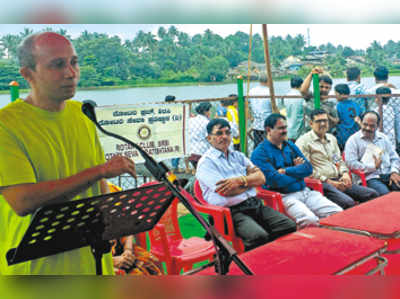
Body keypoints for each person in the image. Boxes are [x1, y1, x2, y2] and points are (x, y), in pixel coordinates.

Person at [0, 32, 137, 274]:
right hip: (37, 266)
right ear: (27, 74)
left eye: (74, 62)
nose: (70, 73)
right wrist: (100, 171)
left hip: (93, 258)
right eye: (57, 65)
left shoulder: (81, 113)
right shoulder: (6, 124)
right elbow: (22, 201)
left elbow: (100, 186)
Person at [196, 118, 296, 251]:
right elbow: (226, 191)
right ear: (209, 138)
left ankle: (270, 254)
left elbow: (261, 178)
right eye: (219, 133)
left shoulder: (238, 156)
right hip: (229, 213)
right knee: (258, 236)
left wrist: (239, 181)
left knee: (288, 226)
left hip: (253, 204)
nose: (224, 137)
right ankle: (250, 264)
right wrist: (249, 179)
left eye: (227, 132)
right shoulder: (206, 163)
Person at [251, 114, 342, 228]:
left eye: (285, 127)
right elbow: (275, 180)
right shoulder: (260, 153)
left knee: (337, 213)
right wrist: (298, 172)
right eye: (281, 128)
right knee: (310, 220)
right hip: (285, 196)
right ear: (268, 130)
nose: (285, 131)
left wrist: (286, 170)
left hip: (305, 191)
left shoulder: (289, 145)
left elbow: (308, 168)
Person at [296, 109, 378, 209]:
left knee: (371, 194)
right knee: (348, 202)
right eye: (318, 121)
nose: (322, 124)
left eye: (325, 121)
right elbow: (306, 170)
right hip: (321, 183)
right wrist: (328, 181)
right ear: (311, 123)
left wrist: (344, 173)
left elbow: (337, 160)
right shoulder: (304, 142)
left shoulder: (331, 139)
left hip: (338, 179)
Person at [344, 111, 400, 196]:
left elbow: (394, 158)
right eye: (365, 124)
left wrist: (394, 172)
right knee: (386, 195)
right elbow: (350, 163)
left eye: (372, 126)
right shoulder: (353, 140)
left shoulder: (383, 138)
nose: (368, 128)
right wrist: (373, 167)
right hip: (369, 177)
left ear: (377, 126)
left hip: (388, 173)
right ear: (361, 122)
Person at [300, 68, 339, 134]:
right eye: (321, 86)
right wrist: (311, 74)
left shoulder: (331, 104)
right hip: (309, 134)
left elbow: (336, 121)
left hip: (325, 135)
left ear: (330, 89)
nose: (324, 89)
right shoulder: (310, 97)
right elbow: (303, 91)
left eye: (327, 87)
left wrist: (326, 115)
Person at [335, 83, 362, 150]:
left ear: (340, 94)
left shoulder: (339, 105)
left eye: (336, 94)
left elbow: (338, 119)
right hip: (355, 132)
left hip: (343, 133)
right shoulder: (355, 104)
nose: (335, 96)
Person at [248, 72, 272, 147]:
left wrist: (250, 117)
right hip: (268, 125)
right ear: (269, 80)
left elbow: (246, 105)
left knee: (258, 146)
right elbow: (274, 108)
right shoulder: (270, 92)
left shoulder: (252, 91)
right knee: (269, 146)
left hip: (256, 124)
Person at [284, 75, 308, 142]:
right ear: (301, 85)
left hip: (288, 128)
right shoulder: (301, 97)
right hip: (299, 130)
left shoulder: (286, 96)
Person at [188, 102, 212, 169]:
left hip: (191, 150)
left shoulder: (190, 120)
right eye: (209, 110)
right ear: (205, 112)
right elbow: (209, 137)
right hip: (202, 151)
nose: (210, 112)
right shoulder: (206, 122)